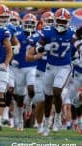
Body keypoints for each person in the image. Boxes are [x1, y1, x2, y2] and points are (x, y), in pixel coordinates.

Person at [35, 8, 74, 136]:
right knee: (47, 97)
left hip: (64, 67)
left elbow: (77, 45)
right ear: (55, 21)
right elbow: (38, 48)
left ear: (68, 22)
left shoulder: (72, 33)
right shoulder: (47, 31)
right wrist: (43, 47)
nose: (62, 23)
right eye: (59, 21)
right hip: (50, 67)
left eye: (64, 21)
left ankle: (57, 118)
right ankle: (46, 123)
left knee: (57, 91)